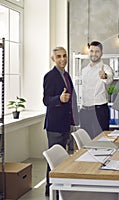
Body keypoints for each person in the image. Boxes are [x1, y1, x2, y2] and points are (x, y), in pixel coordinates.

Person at [43, 47, 79, 196]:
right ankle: (50, 188)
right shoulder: (50, 76)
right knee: (54, 159)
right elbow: (46, 100)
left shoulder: (66, 75)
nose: (62, 59)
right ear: (53, 59)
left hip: (65, 123)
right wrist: (59, 98)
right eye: (58, 57)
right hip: (55, 125)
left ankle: (57, 188)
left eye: (64, 56)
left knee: (62, 159)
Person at [80, 41, 114, 139]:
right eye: (92, 51)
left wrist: (105, 76)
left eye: (97, 51)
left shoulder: (105, 68)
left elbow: (109, 79)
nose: (94, 54)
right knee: (86, 141)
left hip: (99, 110)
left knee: (101, 140)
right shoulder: (84, 70)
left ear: (101, 53)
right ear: (89, 52)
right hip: (85, 111)